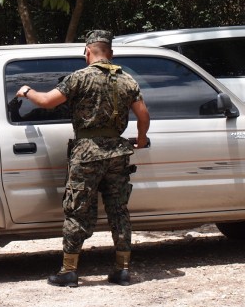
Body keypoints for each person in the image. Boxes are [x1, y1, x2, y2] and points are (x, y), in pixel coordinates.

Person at [15, 30, 150, 287]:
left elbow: (46, 102)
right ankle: (121, 270)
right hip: (118, 154)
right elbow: (143, 116)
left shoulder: (80, 77)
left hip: (86, 153)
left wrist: (27, 91)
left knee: (76, 210)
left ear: (87, 52)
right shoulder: (127, 80)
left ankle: (69, 271)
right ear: (110, 53)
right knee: (119, 210)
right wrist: (141, 139)